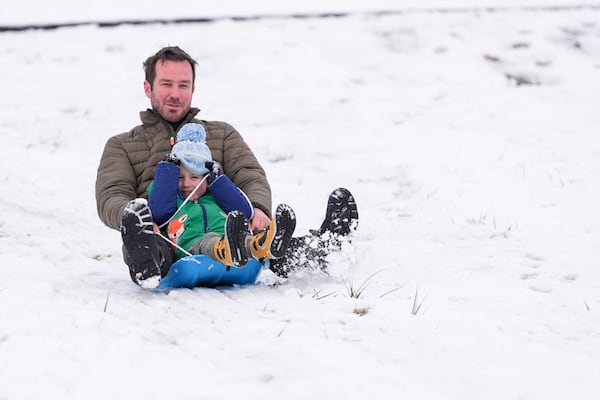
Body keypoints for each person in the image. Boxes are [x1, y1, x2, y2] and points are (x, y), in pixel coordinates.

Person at [95, 45, 358, 287]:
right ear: (148, 87)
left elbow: (249, 173)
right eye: (166, 84)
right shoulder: (122, 145)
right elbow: (112, 194)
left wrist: (257, 207)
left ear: (193, 89)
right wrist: (139, 220)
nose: (175, 94)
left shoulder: (221, 134)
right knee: (151, 247)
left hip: (230, 232)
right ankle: (146, 264)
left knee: (268, 245)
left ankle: (326, 248)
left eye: (183, 85)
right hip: (164, 238)